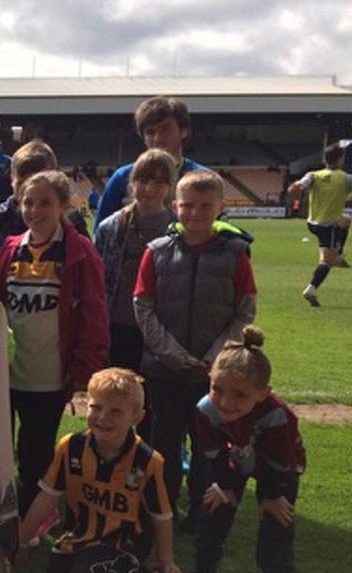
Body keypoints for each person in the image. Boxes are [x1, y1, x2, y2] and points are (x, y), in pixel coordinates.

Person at [133, 169, 257, 529]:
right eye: (187, 206)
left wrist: (214, 358)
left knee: (208, 447)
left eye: (205, 206)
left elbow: (244, 310)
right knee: (164, 444)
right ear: (175, 206)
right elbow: (144, 307)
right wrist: (170, 353)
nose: (195, 214)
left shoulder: (236, 254)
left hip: (211, 374)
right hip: (164, 370)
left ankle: (202, 512)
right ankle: (164, 507)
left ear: (221, 207)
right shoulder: (155, 252)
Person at [16, 367, 181, 573]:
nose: (103, 417)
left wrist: (166, 560)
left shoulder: (148, 461)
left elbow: (162, 515)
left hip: (123, 543)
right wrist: (22, 540)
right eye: (96, 407)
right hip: (80, 537)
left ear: (137, 416)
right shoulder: (70, 447)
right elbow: (47, 496)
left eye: (115, 411)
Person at [0, 170, 108, 514]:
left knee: (36, 452)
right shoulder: (10, 248)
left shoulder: (79, 252)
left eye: (45, 203)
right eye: (28, 201)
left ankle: (30, 518)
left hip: (50, 377)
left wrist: (84, 371)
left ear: (63, 206)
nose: (35, 210)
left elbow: (94, 315)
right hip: (7, 372)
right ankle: (1, 509)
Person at [178, 327, 304, 573]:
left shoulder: (279, 416)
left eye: (240, 395)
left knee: (277, 524)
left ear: (264, 392)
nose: (225, 402)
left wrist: (272, 496)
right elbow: (211, 453)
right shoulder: (205, 409)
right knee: (214, 511)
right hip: (234, 462)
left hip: (279, 469)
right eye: (217, 388)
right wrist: (223, 485)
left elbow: (278, 461)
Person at [93, 148, 177, 371]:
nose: (149, 189)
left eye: (159, 182)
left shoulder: (178, 232)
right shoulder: (110, 228)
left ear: (170, 188)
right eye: (143, 180)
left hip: (159, 331)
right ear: (132, 182)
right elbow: (94, 282)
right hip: (115, 327)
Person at [94, 96, 206, 225]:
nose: (158, 138)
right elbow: (101, 233)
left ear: (183, 131)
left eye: (165, 129)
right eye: (150, 132)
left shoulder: (201, 177)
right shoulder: (123, 177)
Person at [289, 142, 352, 307]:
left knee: (345, 219)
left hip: (312, 223)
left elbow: (300, 186)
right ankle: (311, 288)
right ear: (340, 160)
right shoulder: (345, 178)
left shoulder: (313, 175)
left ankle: (339, 254)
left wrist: (295, 187)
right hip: (328, 226)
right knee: (326, 261)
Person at [0, 140, 90, 240]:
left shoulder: (71, 220)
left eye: (38, 185)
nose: (28, 192)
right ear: (11, 180)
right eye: (21, 183)